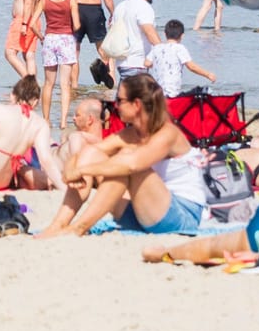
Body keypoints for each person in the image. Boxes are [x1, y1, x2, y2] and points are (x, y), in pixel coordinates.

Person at [40, 73, 201, 237]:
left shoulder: (167, 134)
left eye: (120, 101)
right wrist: (71, 166)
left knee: (124, 160)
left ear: (136, 104)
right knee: (92, 153)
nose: (116, 106)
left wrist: (81, 171)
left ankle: (79, 228)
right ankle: (58, 225)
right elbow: (93, 150)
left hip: (181, 215)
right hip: (142, 213)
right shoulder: (130, 134)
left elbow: (132, 164)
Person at [31, 0, 80, 130]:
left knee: (48, 83)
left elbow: (32, 24)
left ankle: (46, 119)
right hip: (66, 39)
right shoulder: (71, 1)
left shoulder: (44, 1)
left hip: (50, 38)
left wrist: (41, 37)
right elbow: (77, 25)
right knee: (65, 84)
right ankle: (64, 121)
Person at [111, 0, 161, 85]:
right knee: (139, 100)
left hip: (122, 63)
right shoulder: (143, 6)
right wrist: (164, 51)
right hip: (137, 63)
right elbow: (149, 31)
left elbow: (112, 33)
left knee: (125, 100)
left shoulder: (120, 6)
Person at [146, 19, 216, 97]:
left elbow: (147, 63)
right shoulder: (179, 48)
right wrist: (208, 74)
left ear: (165, 34)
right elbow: (191, 67)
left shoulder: (157, 48)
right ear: (182, 35)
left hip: (157, 95)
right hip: (172, 94)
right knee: (205, 91)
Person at [4, 0, 42, 79]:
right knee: (29, 55)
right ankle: (34, 87)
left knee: (9, 53)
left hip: (23, 20)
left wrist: (24, 24)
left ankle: (28, 81)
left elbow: (28, 2)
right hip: (35, 20)